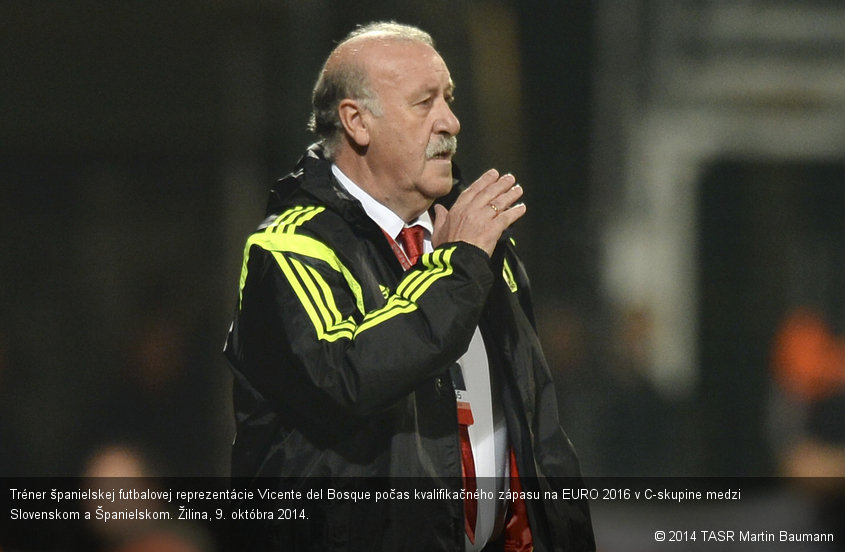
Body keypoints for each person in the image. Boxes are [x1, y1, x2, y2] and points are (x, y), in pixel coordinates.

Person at [224, 21, 594, 551]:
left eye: (449, 98)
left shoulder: (480, 245)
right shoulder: (288, 249)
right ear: (356, 122)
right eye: (424, 103)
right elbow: (350, 376)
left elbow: (540, 431)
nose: (451, 121)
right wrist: (456, 268)